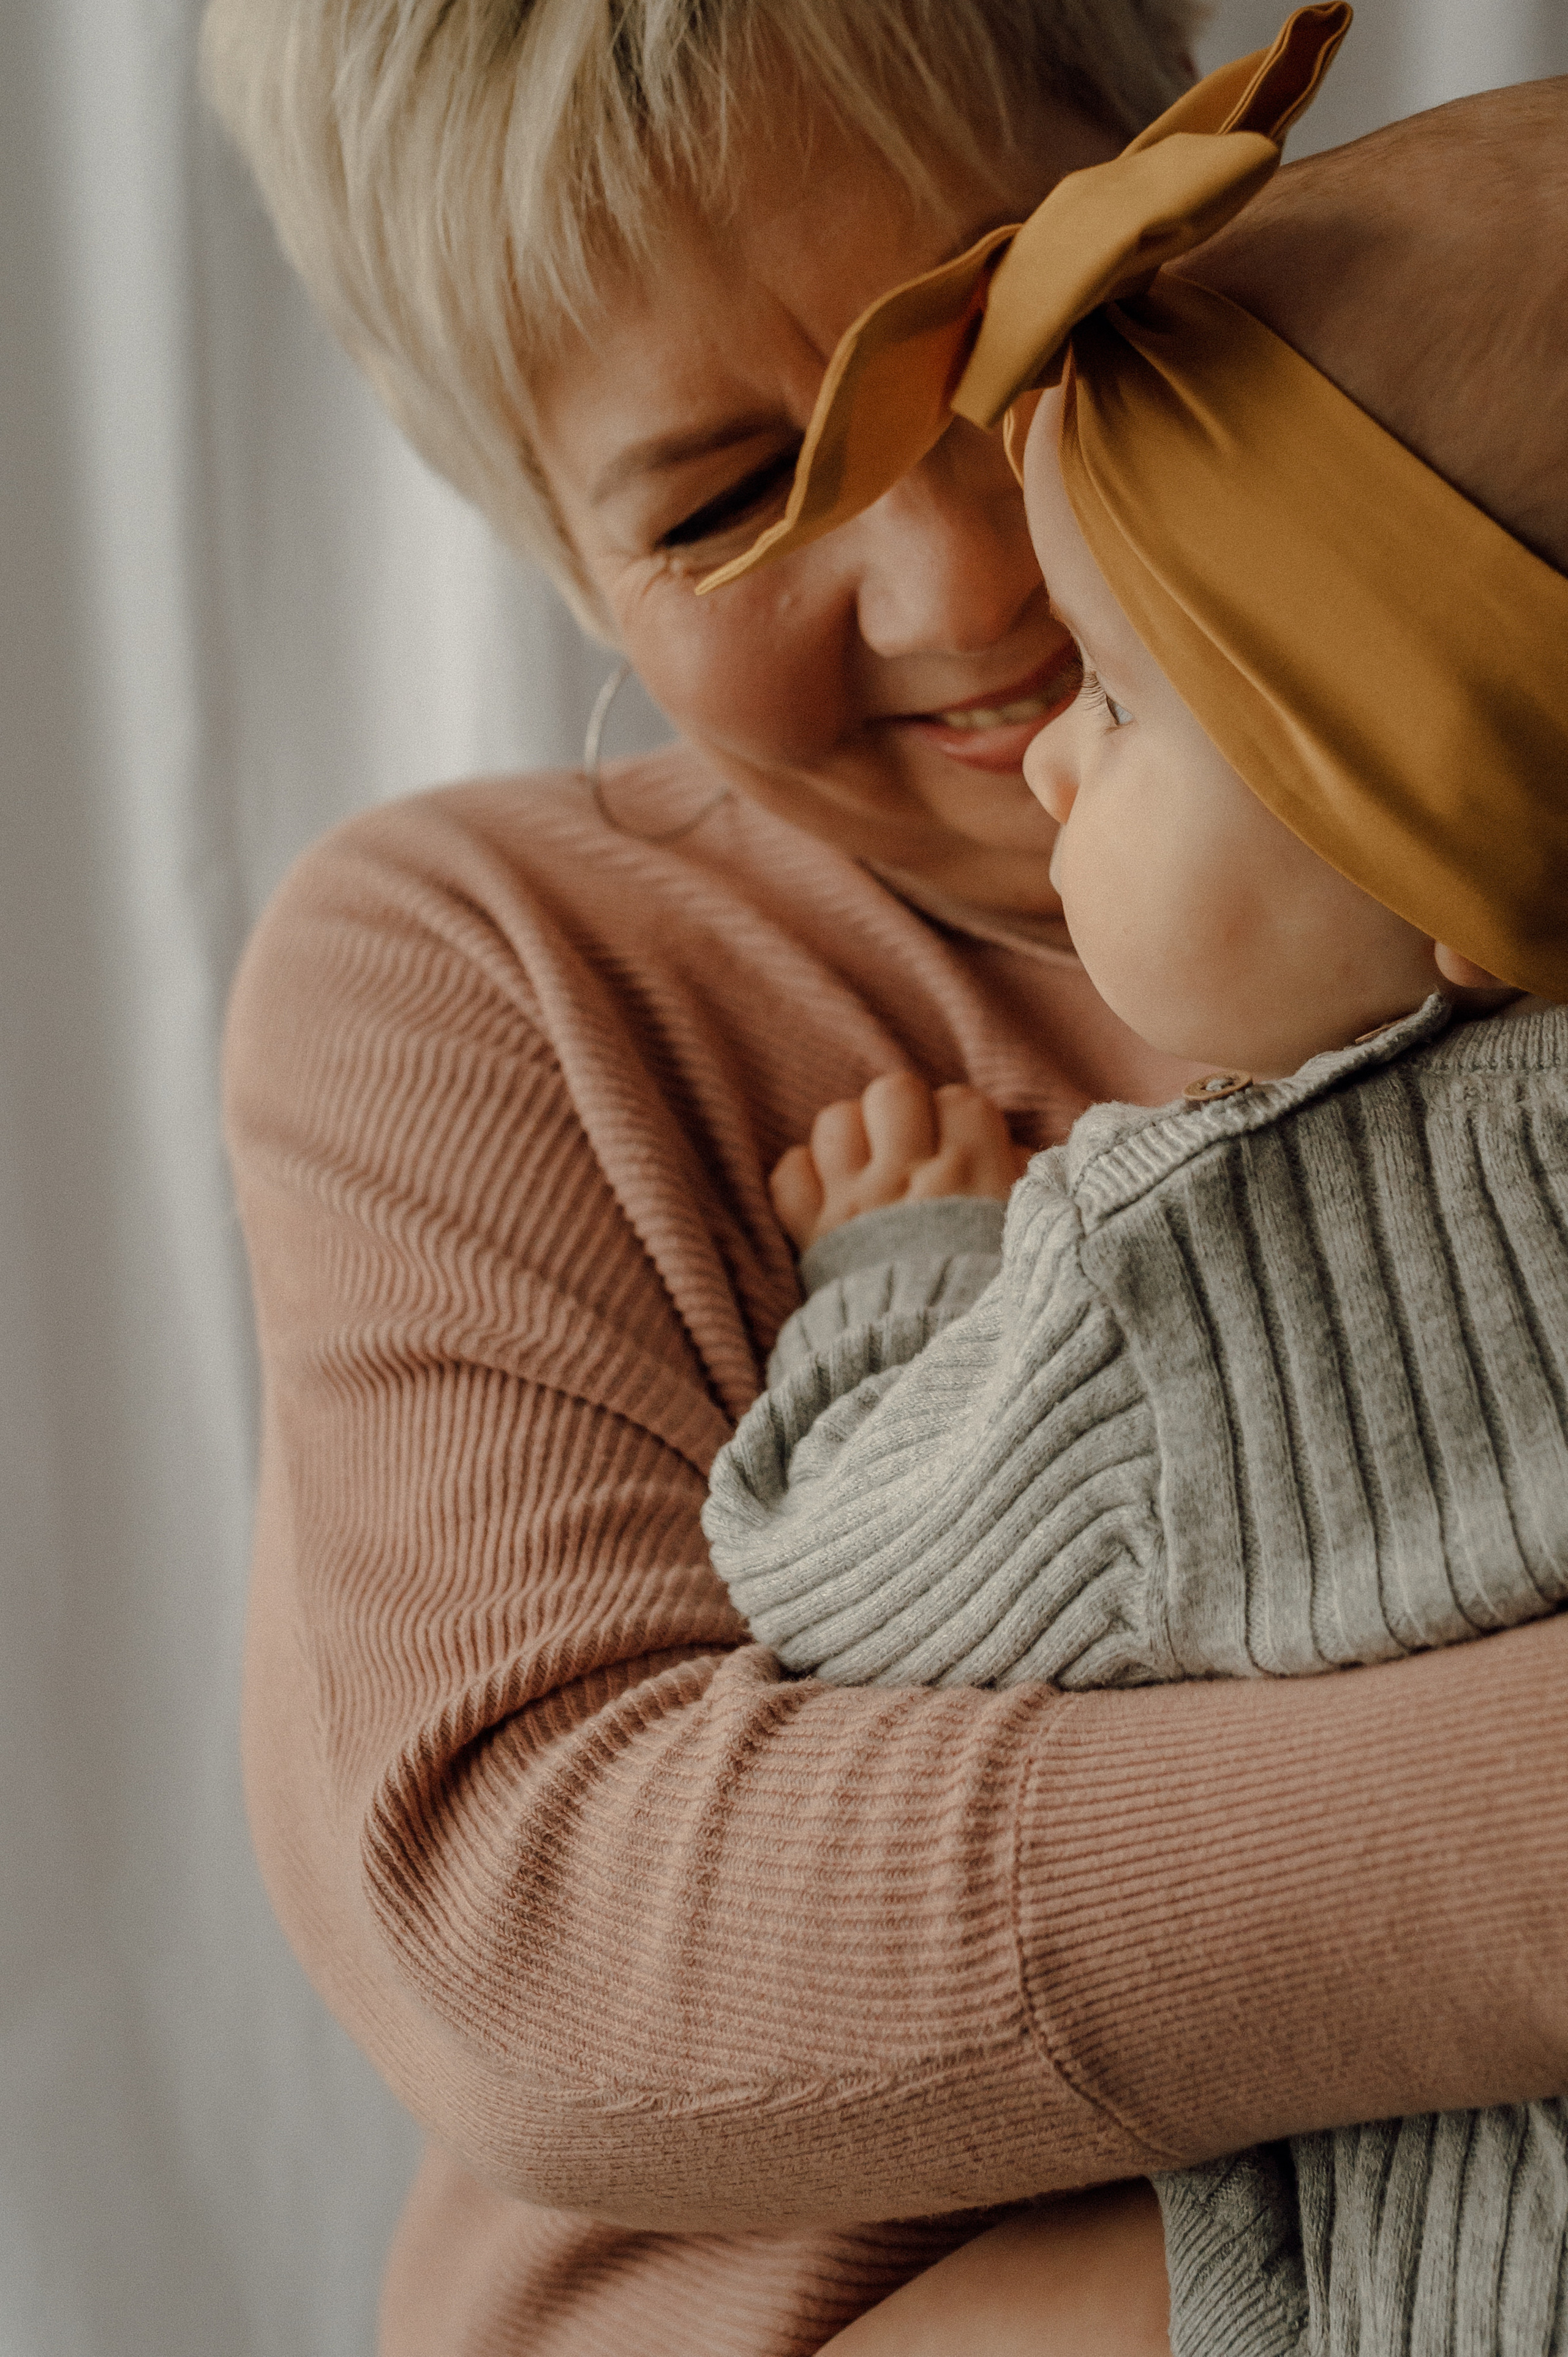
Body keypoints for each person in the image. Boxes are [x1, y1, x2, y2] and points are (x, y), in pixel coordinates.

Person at [206, 0, 1568, 2348]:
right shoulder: (482, 976)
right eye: (733, 496)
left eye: (1009, 324)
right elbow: (547, 1926)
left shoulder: (1517, 715)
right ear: (547, 547)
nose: (967, 588)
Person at [701, 17, 1568, 2351]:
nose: (1042, 750)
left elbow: (836, 1570)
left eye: (1116, 690)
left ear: (1434, 834)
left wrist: (910, 1277)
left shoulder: (1196, 1278)